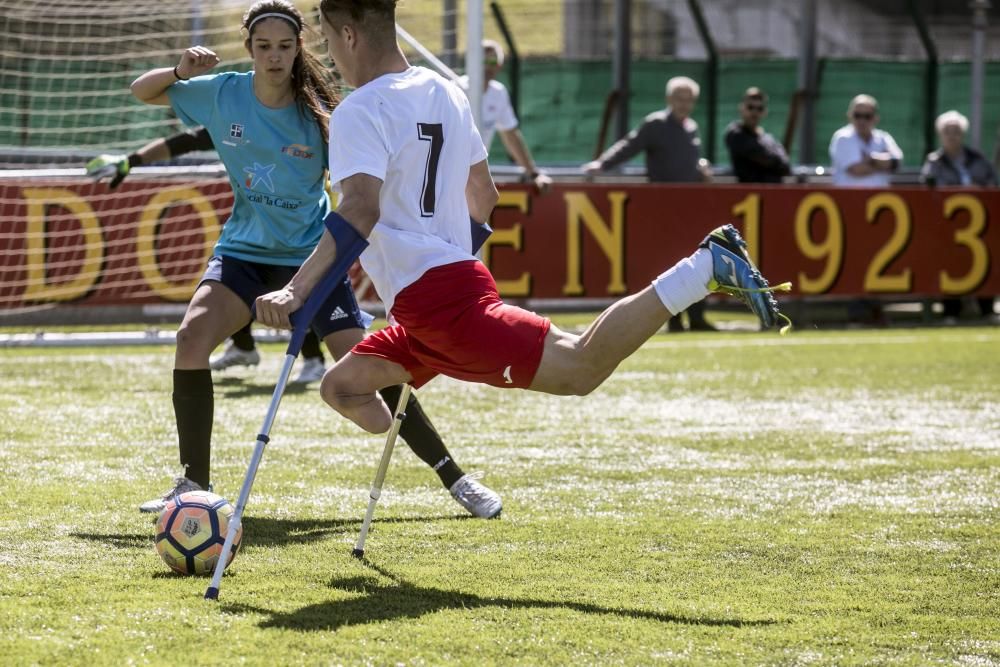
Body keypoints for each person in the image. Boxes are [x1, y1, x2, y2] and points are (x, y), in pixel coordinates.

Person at [255, 1, 788, 443]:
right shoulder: (447, 91)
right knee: (341, 386)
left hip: (438, 304)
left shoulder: (358, 110)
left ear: (348, 34)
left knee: (579, 368)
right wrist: (447, 259)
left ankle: (704, 267)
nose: (329, 54)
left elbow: (360, 209)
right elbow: (484, 198)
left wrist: (297, 290)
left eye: (325, 40)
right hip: (438, 298)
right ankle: (431, 428)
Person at [128, 0, 501, 518]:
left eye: (285, 46)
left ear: (300, 47)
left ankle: (455, 479)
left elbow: (361, 195)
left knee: (379, 369)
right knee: (191, 337)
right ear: (248, 49)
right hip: (244, 255)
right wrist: (177, 70)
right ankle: (192, 488)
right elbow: (141, 92)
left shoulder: (325, 114)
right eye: (263, 47)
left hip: (312, 263)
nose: (274, 57)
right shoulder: (222, 93)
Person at [86, 129, 327, 385]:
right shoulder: (238, 113)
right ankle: (243, 346)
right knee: (231, 280)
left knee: (293, 288)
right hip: (252, 228)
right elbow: (190, 139)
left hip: (300, 231)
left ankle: (314, 358)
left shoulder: (306, 121)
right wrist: (131, 161)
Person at [581, 76, 715, 332]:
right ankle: (674, 319)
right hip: (663, 206)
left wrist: (701, 169)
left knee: (697, 261)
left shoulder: (692, 128)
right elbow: (629, 146)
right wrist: (602, 164)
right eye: (679, 98)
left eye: (688, 99)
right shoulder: (655, 124)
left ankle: (697, 317)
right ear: (669, 99)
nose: (684, 104)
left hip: (690, 206)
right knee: (671, 263)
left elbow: (690, 160)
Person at [920, 110, 997, 322]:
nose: (952, 136)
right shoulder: (935, 161)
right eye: (947, 131)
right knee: (950, 263)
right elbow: (928, 187)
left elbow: (992, 183)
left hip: (980, 223)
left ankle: (987, 309)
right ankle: (951, 310)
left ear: (963, 134)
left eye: (956, 131)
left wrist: (978, 190)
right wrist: (958, 192)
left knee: (984, 260)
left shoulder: (977, 159)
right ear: (940, 135)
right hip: (948, 222)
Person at [460, 40, 551, 194]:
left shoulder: (498, 93)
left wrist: (534, 174)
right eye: (483, 60)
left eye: (493, 61)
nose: (488, 66)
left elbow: (511, 136)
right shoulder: (455, 90)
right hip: (451, 174)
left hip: (475, 176)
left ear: (499, 65)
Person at [829, 94, 903, 188]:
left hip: (879, 199)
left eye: (867, 116)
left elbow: (897, 163)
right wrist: (883, 165)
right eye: (857, 115)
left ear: (876, 118)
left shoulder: (883, 138)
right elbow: (857, 170)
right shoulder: (842, 138)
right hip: (848, 199)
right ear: (850, 115)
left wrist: (871, 158)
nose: (862, 121)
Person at [724, 87, 790, 184]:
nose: (754, 112)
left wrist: (774, 161)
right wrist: (774, 162)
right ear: (741, 108)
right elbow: (763, 156)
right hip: (748, 196)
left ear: (764, 112)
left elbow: (785, 166)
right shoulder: (735, 133)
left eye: (759, 108)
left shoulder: (769, 138)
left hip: (773, 194)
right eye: (750, 107)